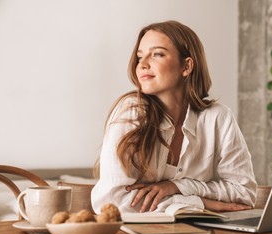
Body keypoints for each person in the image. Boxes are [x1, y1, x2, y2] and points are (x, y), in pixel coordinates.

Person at [91, 20, 257, 214]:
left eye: (157, 54)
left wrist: (179, 186)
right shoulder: (131, 112)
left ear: (186, 66)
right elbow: (111, 203)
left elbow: (244, 194)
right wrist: (201, 203)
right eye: (140, 57)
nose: (143, 64)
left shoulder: (218, 117)